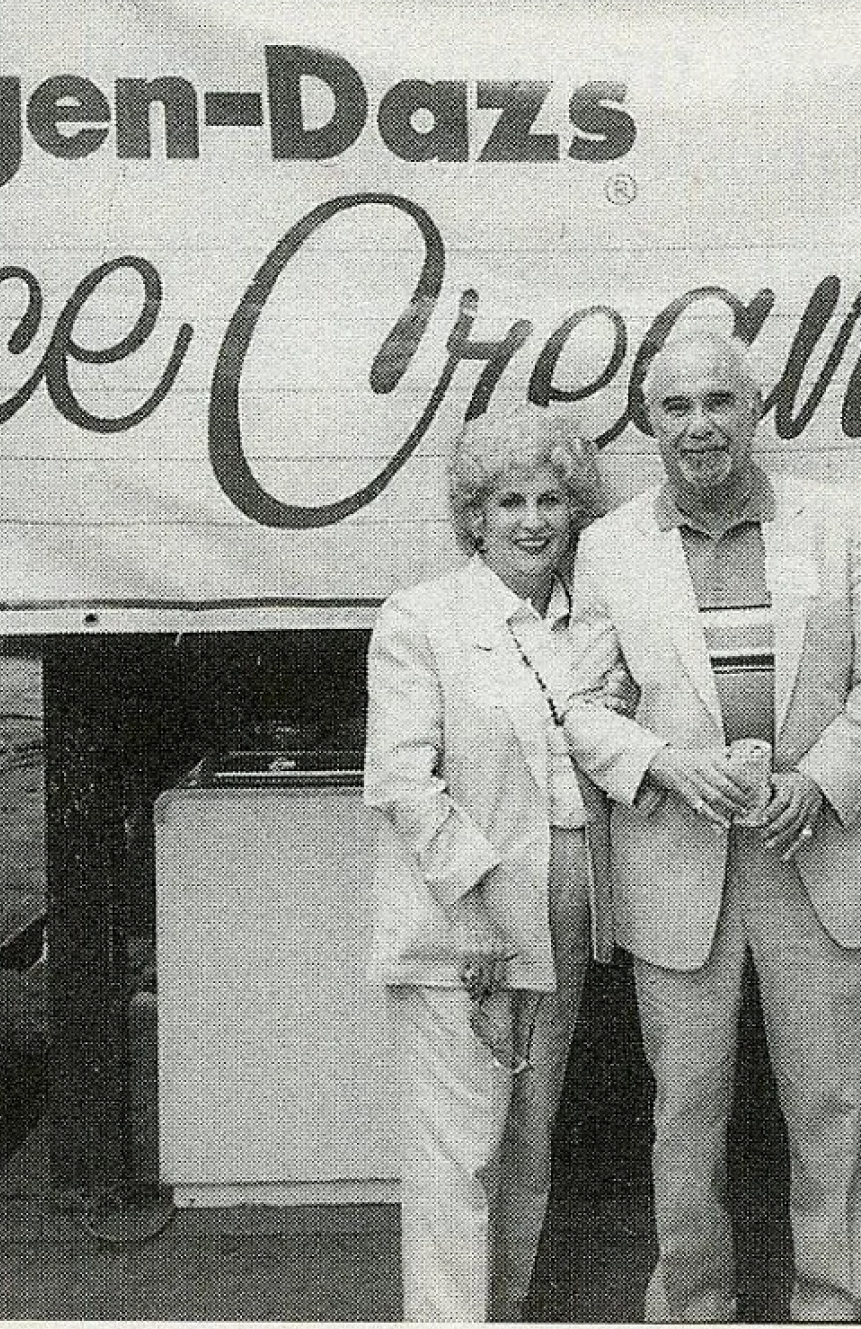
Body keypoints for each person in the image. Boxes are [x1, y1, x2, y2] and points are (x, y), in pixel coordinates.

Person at [565, 327, 861, 1321]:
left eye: (718, 402)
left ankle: (836, 1298)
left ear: (753, 410)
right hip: (681, 865)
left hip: (820, 853)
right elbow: (583, 707)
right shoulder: (608, 548)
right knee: (686, 1112)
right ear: (649, 423)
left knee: (829, 1105)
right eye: (677, 408)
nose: (700, 427)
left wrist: (820, 780)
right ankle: (691, 1303)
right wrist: (667, 768)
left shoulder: (836, 523)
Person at [364, 408, 622, 1321]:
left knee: (527, 1144)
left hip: (563, 901)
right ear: (472, 516)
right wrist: (472, 916)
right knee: (457, 1151)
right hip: (460, 915)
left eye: (551, 500)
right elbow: (402, 781)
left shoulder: (591, 623)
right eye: (508, 501)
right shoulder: (421, 618)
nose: (531, 520)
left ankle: (500, 1312)